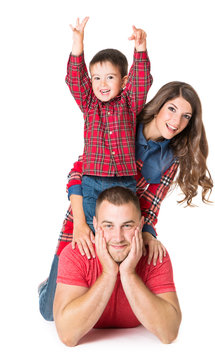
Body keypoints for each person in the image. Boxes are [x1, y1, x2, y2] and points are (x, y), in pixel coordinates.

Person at [38, 81, 213, 321]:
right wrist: (79, 223)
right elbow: (78, 172)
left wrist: (149, 235)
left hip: (122, 231)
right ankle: (49, 283)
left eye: (186, 116)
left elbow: (152, 206)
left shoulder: (171, 158)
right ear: (159, 106)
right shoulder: (123, 125)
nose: (176, 122)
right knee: (51, 314)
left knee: (107, 300)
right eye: (172, 109)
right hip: (85, 217)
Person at [53, 186, 182, 346]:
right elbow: (67, 335)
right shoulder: (76, 254)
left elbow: (169, 333)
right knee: (48, 308)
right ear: (95, 224)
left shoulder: (155, 255)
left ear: (141, 224)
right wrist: (108, 273)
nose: (118, 237)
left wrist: (129, 273)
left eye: (127, 226)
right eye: (108, 226)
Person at [66, 16, 152, 235]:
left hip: (124, 182)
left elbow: (141, 80)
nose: (102, 84)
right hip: (92, 181)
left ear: (123, 82)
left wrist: (140, 48)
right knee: (93, 233)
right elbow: (76, 78)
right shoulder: (89, 103)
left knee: (123, 234)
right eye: (96, 78)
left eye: (110, 77)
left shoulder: (129, 103)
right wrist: (78, 45)